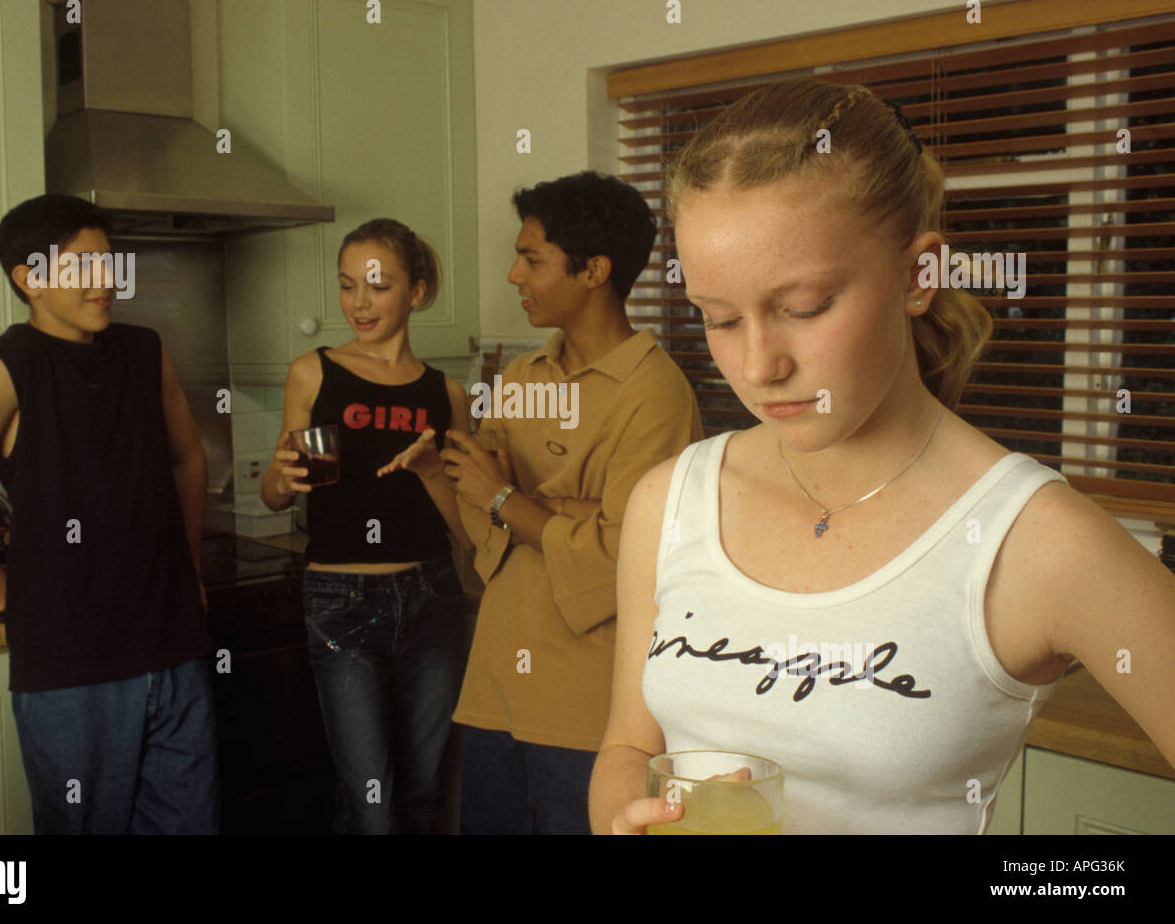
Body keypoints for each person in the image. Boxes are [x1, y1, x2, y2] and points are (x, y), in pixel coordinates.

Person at [590, 78, 1175, 835]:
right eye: (721, 318)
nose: (760, 366)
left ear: (917, 276)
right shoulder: (669, 502)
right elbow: (629, 744)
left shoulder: (1036, 539)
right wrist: (618, 822)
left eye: (805, 308)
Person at [0, 194, 218, 834]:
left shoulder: (144, 351)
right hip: (72, 664)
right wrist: (6, 597)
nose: (106, 282)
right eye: (84, 267)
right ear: (30, 278)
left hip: (173, 645)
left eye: (109, 264)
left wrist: (188, 567)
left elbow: (189, 459)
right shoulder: (3, 368)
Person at [427, 171, 702, 833]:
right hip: (494, 687)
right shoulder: (522, 377)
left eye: (532, 259)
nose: (515, 275)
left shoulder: (655, 393)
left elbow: (620, 562)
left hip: (591, 709)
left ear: (593, 271)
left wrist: (507, 499)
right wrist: (516, 503)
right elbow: (477, 526)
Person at [260, 218, 472, 834]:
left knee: (426, 793)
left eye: (376, 286)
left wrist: (434, 472)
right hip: (339, 601)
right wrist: (281, 477)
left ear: (418, 291)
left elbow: (467, 530)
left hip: (432, 596)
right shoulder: (313, 372)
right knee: (372, 808)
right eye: (347, 286)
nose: (358, 303)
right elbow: (275, 496)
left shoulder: (447, 394)